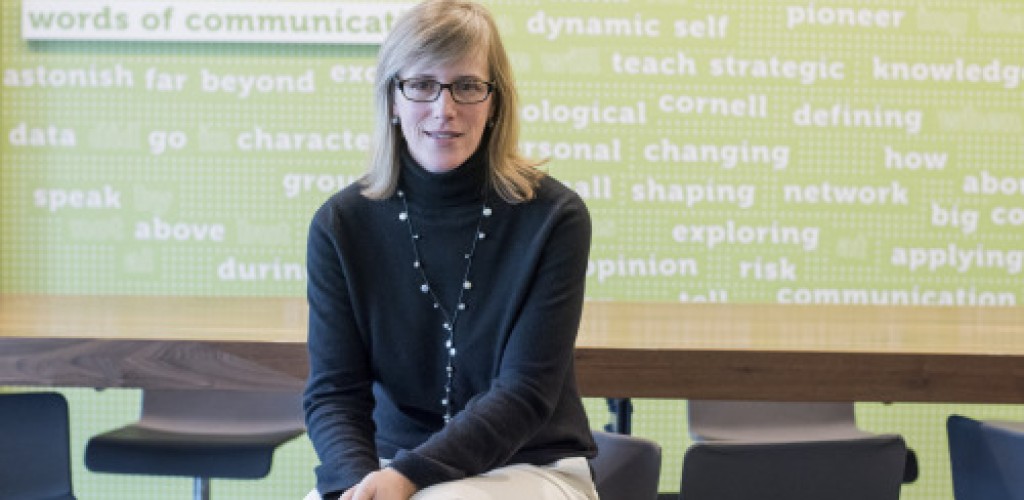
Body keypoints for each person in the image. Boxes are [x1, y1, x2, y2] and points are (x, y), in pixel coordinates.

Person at [302, 0, 598, 499]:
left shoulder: (554, 217)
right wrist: (358, 487)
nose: (445, 109)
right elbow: (334, 393)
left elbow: (525, 392)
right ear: (392, 99)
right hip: (386, 467)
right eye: (421, 85)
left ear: (495, 101)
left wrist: (407, 478)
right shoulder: (340, 224)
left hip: (530, 464)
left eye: (467, 86)